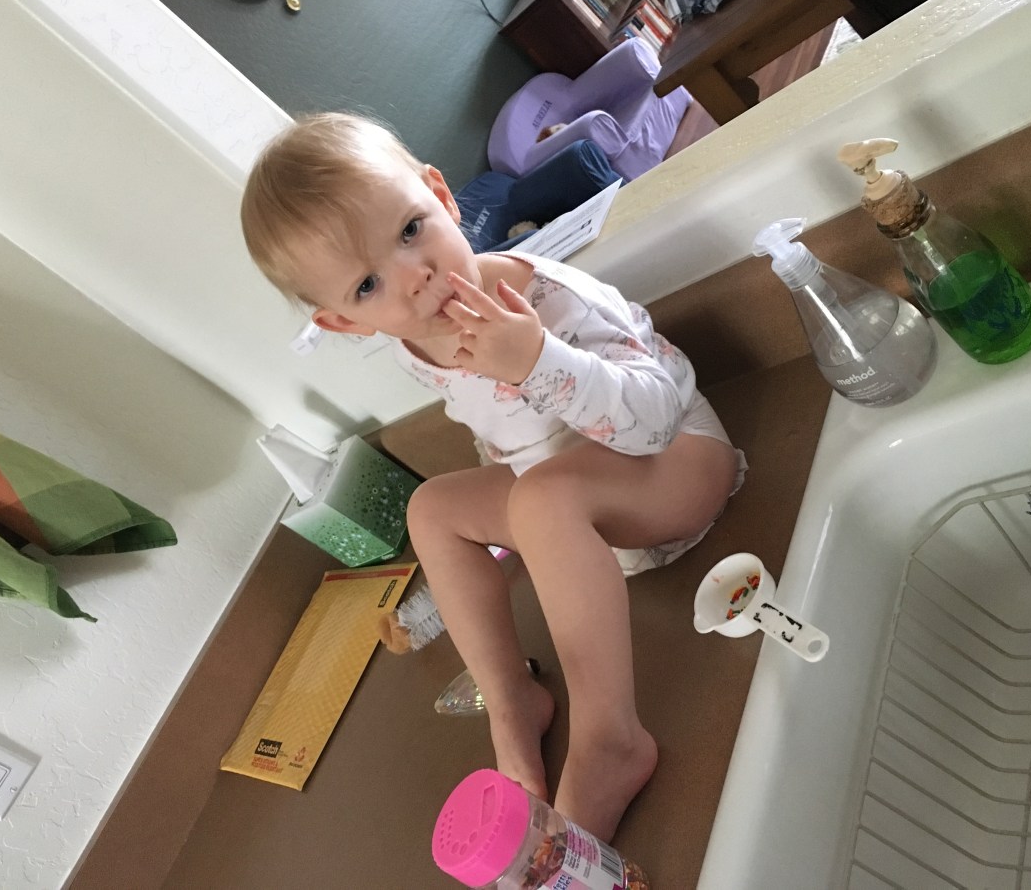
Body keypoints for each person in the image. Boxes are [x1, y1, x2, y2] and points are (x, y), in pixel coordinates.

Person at [240, 112, 747, 842]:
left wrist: (538, 361)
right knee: (430, 508)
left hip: (681, 465)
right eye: (369, 284)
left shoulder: (546, 301)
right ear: (347, 322)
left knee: (542, 498)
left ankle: (610, 739)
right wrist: (532, 531)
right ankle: (512, 701)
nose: (414, 277)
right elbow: (504, 437)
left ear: (442, 196)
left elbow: (657, 419)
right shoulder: (417, 344)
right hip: (586, 509)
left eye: (410, 229)